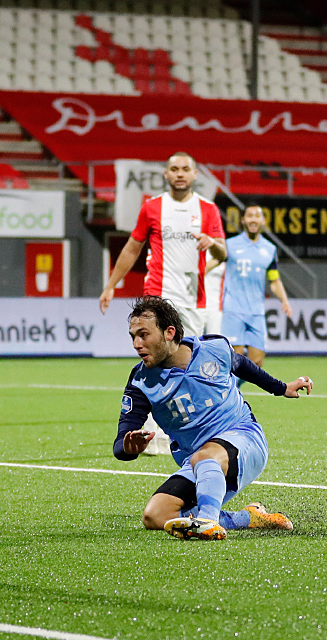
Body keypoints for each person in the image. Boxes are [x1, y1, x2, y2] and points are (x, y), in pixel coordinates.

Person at [114, 296, 310, 540]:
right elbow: (121, 442)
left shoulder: (213, 348)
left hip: (244, 439)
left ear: (169, 332)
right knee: (156, 515)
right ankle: (247, 517)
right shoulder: (141, 382)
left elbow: (243, 366)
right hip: (200, 463)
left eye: (143, 334)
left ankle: (206, 522)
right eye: (133, 336)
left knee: (204, 456)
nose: (136, 343)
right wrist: (128, 447)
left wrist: (281, 388)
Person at [100, 151, 228, 455]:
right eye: (174, 169)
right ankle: (149, 433)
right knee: (154, 362)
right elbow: (132, 248)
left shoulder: (208, 210)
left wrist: (214, 246)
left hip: (193, 298)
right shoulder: (152, 207)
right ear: (166, 175)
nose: (180, 173)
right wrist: (111, 284)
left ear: (195, 174)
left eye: (185, 169)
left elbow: (223, 254)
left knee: (189, 363)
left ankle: (191, 427)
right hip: (157, 294)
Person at [212, 205, 292, 376]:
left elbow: (274, 279)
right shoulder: (231, 245)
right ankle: (229, 398)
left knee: (257, 361)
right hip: (233, 310)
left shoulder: (270, 249)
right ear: (243, 220)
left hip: (256, 312)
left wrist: (284, 300)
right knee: (234, 360)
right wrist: (197, 273)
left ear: (263, 221)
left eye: (257, 216)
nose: (253, 219)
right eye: (249, 216)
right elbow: (214, 262)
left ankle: (233, 390)